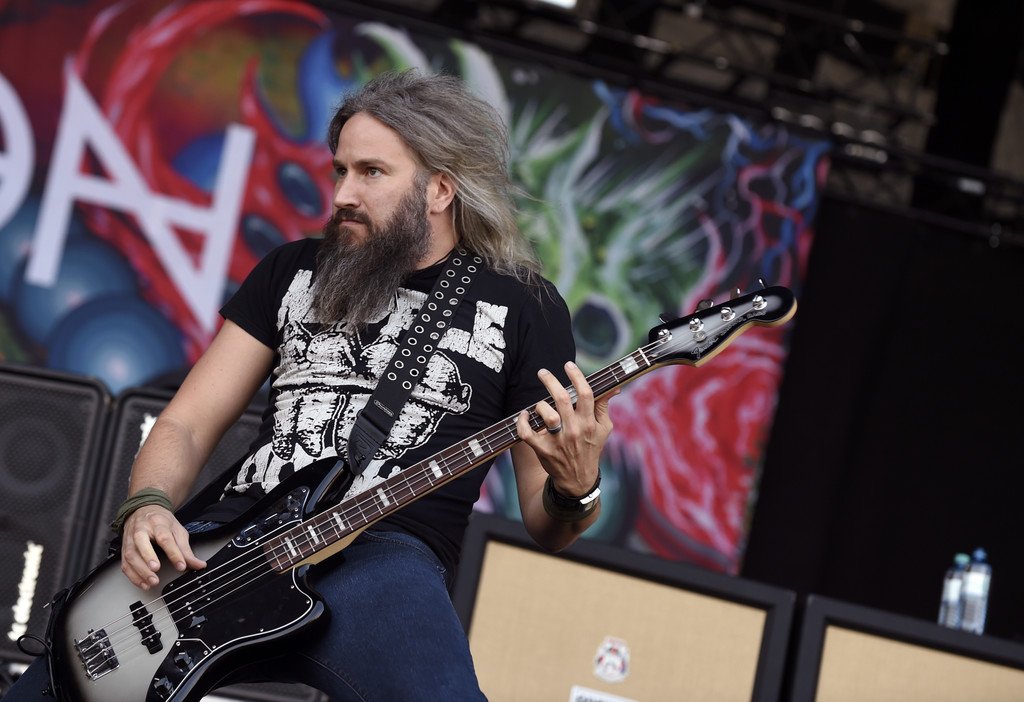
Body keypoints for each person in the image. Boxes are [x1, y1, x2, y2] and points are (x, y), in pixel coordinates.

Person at [6, 70, 615, 700]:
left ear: (439, 189)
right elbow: (187, 422)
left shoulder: (525, 307)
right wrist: (149, 504)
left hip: (384, 556)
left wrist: (577, 489)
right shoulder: (293, 269)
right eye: (340, 171)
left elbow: (547, 522)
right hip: (230, 542)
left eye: (371, 172)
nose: (343, 194)